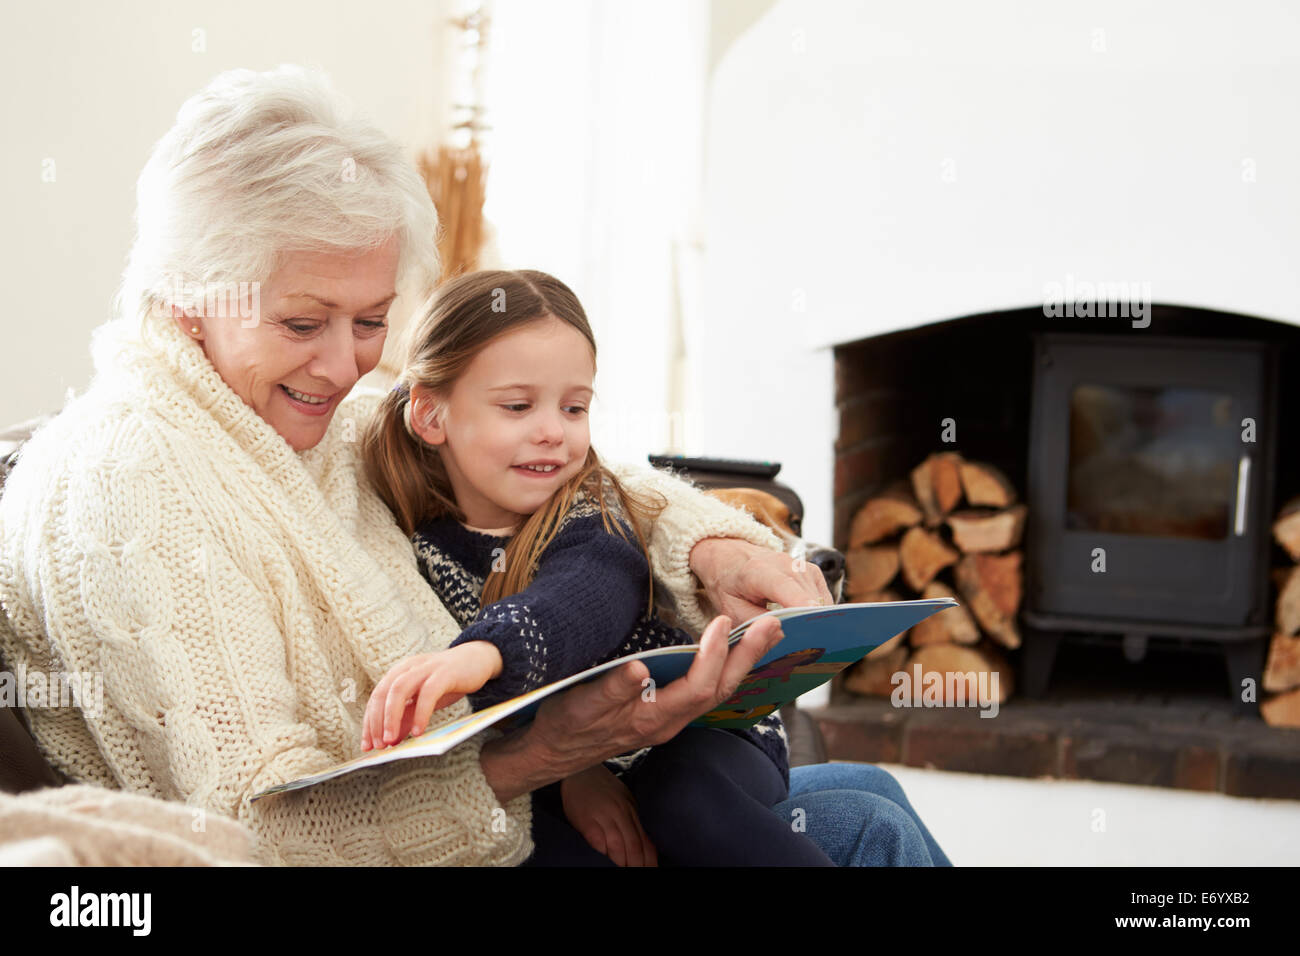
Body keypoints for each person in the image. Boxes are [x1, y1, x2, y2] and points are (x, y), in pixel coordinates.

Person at [0, 64, 949, 867]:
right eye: (301, 323)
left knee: (870, 795)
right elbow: (259, 830)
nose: (345, 365)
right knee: (865, 826)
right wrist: (541, 758)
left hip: (514, 815)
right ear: (188, 292)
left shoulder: (310, 414)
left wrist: (708, 550)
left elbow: (568, 478)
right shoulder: (133, 483)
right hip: (453, 843)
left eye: (372, 321)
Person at [357, 268, 834, 866]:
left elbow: (587, 595)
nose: (553, 432)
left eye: (574, 407)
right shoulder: (408, 545)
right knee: (533, 844)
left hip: (703, 735)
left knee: (680, 796)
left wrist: (480, 654)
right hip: (565, 763)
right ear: (430, 417)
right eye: (517, 406)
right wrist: (572, 776)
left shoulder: (594, 511)